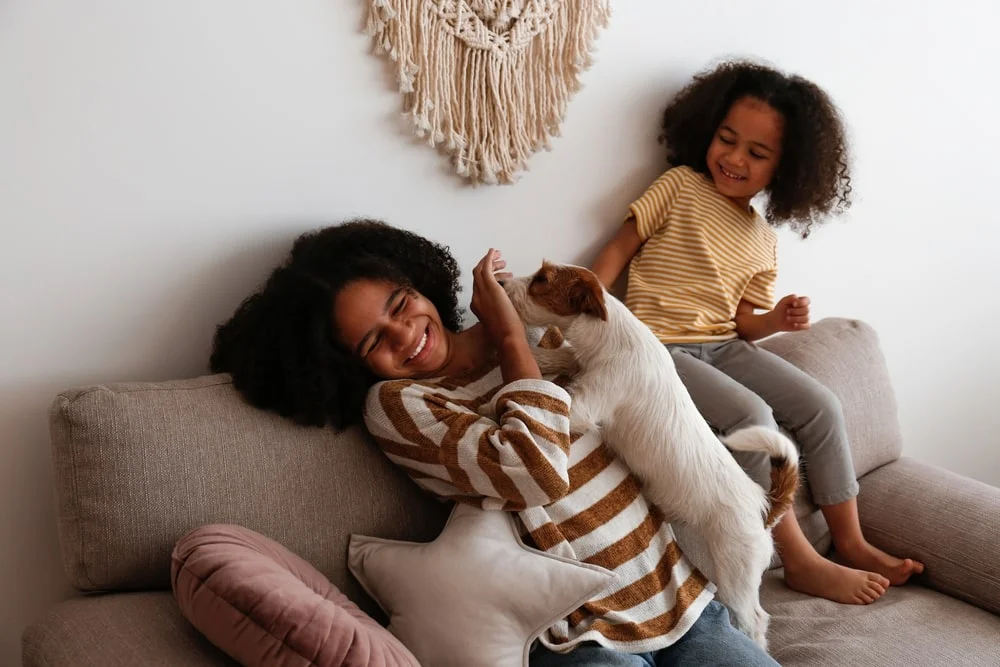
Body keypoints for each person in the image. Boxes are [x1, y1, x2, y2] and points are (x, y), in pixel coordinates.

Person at [210, 219, 779, 666]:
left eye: (401, 304)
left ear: (421, 284)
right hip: (573, 635)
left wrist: (515, 328)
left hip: (679, 596)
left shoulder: (541, 328)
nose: (406, 334)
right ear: (350, 369)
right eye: (374, 342)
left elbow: (651, 391)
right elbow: (534, 472)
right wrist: (509, 335)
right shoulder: (400, 407)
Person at [590, 60, 923, 605]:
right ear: (708, 131)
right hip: (660, 347)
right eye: (727, 140)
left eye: (757, 153)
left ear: (783, 170)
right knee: (753, 418)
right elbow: (620, 247)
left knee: (821, 404)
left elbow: (745, 322)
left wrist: (779, 321)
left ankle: (851, 540)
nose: (735, 158)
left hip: (724, 345)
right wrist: (591, 309)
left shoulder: (763, 240)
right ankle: (799, 559)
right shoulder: (677, 187)